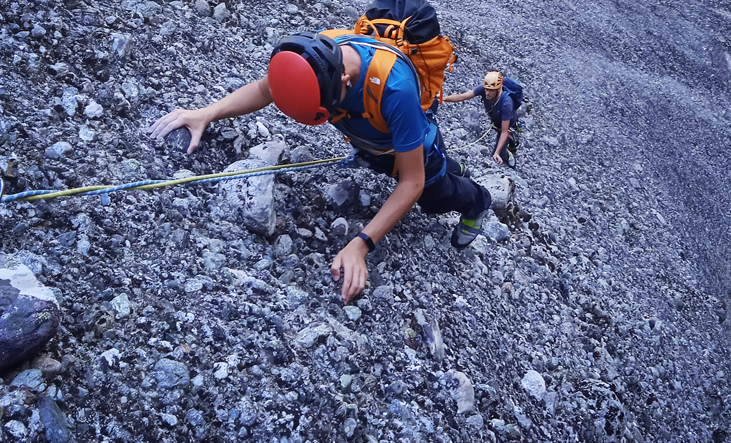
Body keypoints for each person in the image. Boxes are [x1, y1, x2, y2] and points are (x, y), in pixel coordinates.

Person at [149, 31, 491, 304]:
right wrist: (206, 112)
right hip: (375, 144)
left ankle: (479, 199)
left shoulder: (395, 89)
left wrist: (360, 244)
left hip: (415, 149)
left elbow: (412, 183)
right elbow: (265, 89)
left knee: (433, 198)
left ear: (344, 80)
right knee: (392, 168)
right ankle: (452, 168)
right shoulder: (313, 60)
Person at [445, 71, 519, 167]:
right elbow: (462, 97)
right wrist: (444, 98)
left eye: (491, 90)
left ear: (498, 89)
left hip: (507, 126)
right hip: (497, 121)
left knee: (499, 154)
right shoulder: (484, 90)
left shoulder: (506, 103)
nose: (487, 93)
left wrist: (497, 153)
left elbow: (504, 131)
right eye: (486, 89)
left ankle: (509, 151)